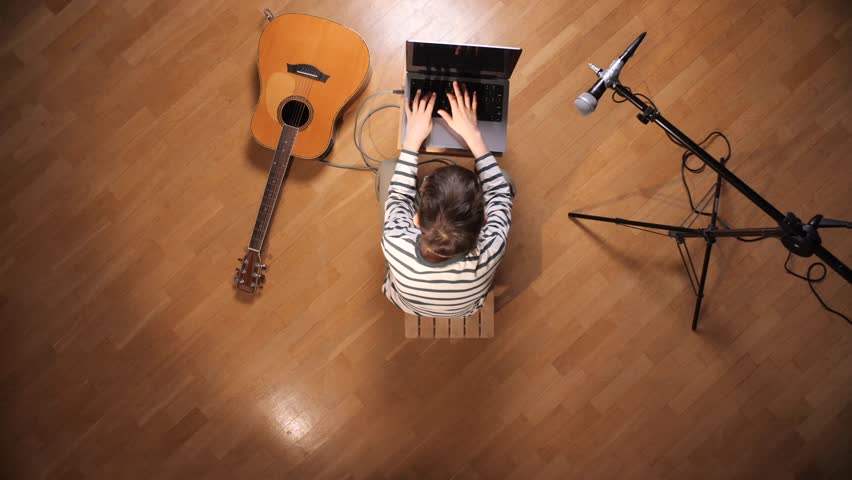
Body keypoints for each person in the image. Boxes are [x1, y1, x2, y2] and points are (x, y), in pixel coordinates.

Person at [376, 81, 515, 317]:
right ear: (484, 219)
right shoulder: (492, 248)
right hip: (466, 309)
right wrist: (474, 136)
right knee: (503, 178)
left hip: (408, 305)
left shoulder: (394, 242)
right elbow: (501, 192)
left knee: (389, 168)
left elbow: (399, 197)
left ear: (416, 219)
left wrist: (412, 139)